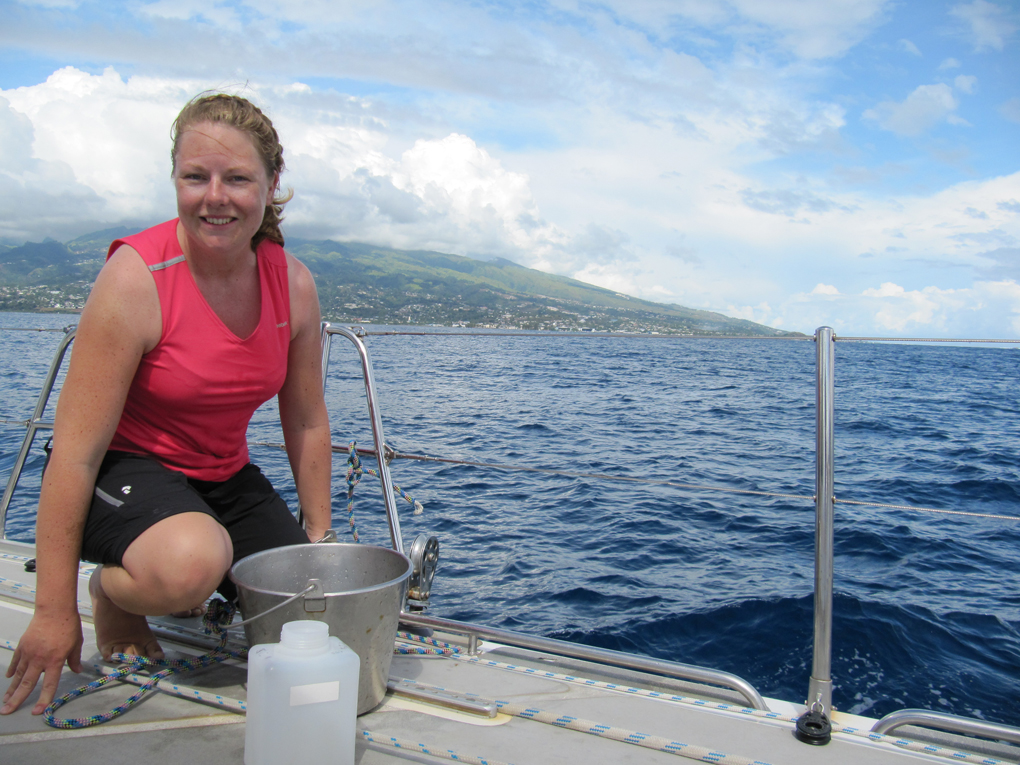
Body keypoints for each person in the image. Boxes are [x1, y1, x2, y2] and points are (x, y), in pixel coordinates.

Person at [2, 93, 332, 715]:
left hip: (221, 475)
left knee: (300, 600)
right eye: (195, 177)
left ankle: (183, 568)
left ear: (270, 184)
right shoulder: (136, 278)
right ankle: (114, 594)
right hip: (121, 472)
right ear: (174, 180)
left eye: (237, 178)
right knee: (191, 564)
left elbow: (308, 418)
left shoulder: (292, 282)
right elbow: (73, 456)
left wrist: (316, 537)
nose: (215, 196)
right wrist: (53, 613)